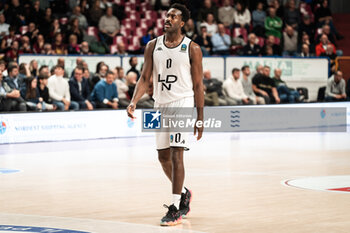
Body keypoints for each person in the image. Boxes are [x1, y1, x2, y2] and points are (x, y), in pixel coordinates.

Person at [126, 3, 203, 226]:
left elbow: (198, 86)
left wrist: (200, 117)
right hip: (159, 105)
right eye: (167, 15)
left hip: (182, 103)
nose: (167, 19)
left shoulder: (192, 48)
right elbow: (144, 77)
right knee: (162, 157)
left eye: (173, 16)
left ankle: (175, 207)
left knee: (177, 154)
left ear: (182, 22)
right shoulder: (152, 45)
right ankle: (185, 192)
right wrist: (133, 101)